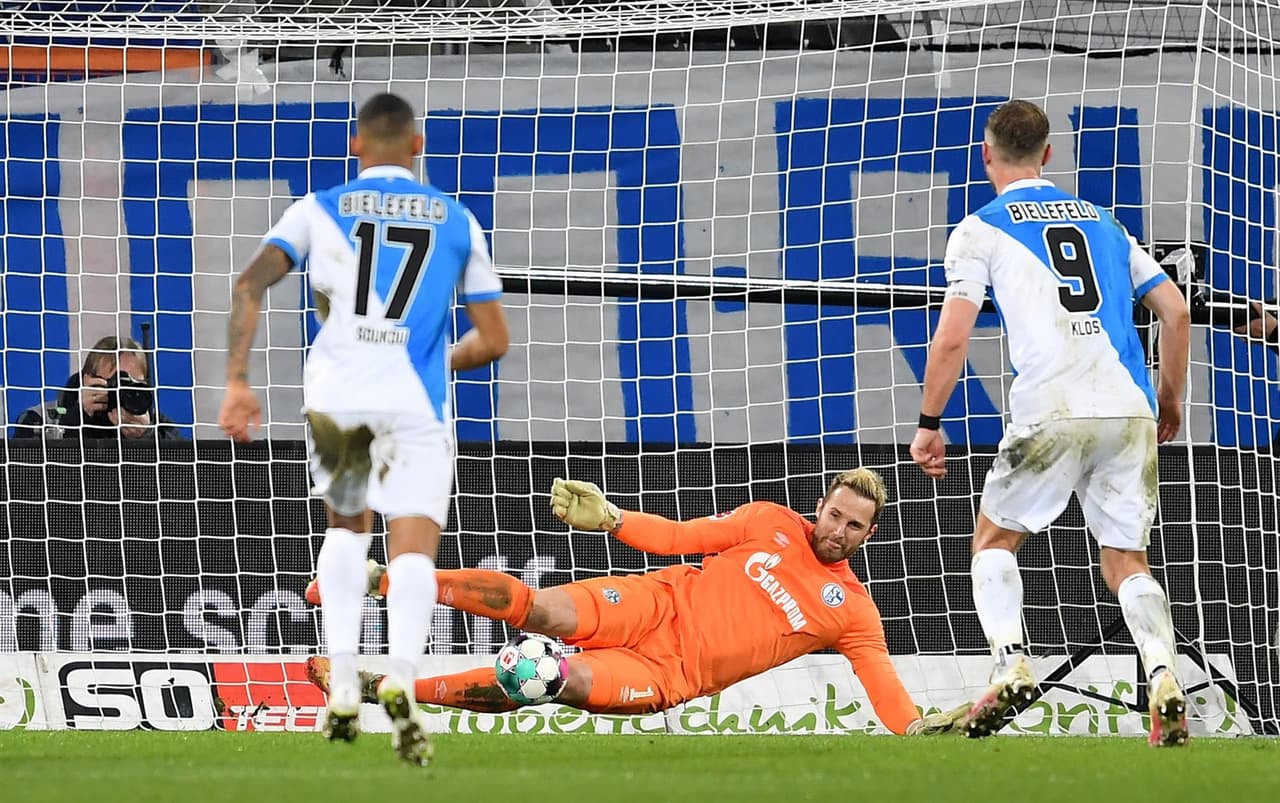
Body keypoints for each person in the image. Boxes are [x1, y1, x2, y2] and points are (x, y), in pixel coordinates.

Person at [217, 92, 509, 766]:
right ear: (418, 145)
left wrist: (237, 380)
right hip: (417, 401)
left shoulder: (316, 209)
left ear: (356, 145)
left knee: (347, 530)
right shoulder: (458, 220)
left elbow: (249, 284)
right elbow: (493, 339)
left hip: (340, 396)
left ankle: (343, 675)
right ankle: (401, 676)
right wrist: (443, 357)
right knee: (412, 553)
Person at [909, 100, 1192, 746]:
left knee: (994, 542)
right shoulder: (1105, 222)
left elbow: (952, 338)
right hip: (1129, 406)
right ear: (1048, 155)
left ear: (987, 157)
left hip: (1051, 406)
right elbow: (1175, 312)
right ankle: (1163, 674)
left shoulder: (979, 229)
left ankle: (1009, 662)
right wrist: (1169, 397)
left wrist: (930, 420)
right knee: (1125, 558)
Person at [305, 470, 973, 736]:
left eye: (852, 526)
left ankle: (390, 689)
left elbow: (882, 684)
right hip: (658, 603)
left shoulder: (852, 610)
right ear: (821, 503)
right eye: (833, 514)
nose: (836, 530)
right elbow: (682, 536)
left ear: (869, 535)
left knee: (538, 674)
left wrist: (914, 729)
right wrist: (613, 517)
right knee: (539, 613)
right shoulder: (769, 520)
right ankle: (377, 580)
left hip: (665, 676)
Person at [12, 335, 181, 441]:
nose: (122, 391)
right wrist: (77, 420)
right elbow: (28, 483)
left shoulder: (159, 426)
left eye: (132, 384)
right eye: (115, 382)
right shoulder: (41, 420)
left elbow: (183, 485)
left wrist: (148, 439)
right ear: (87, 380)